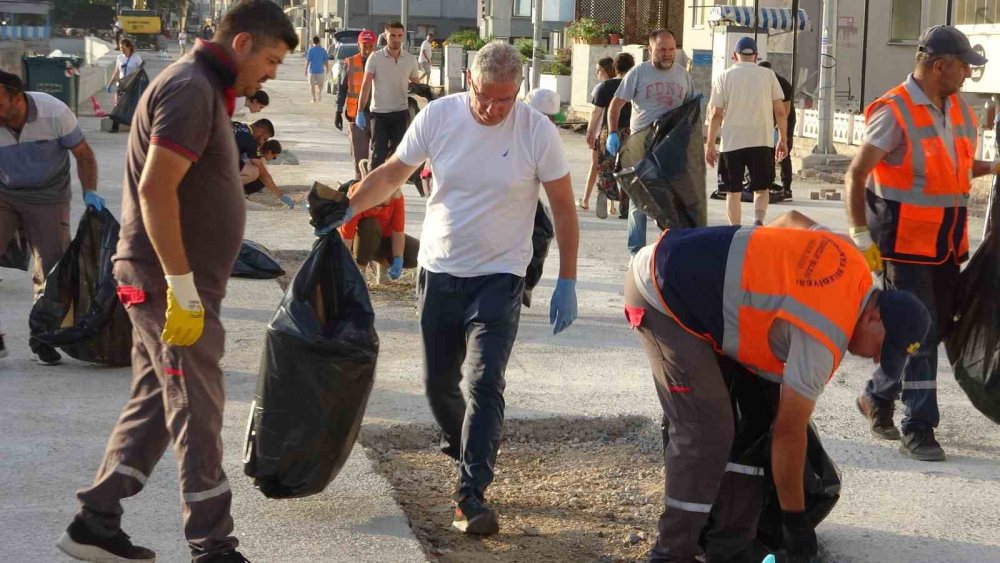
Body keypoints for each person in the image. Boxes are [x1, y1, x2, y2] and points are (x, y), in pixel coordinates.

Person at [56, 2, 297, 562]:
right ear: (240, 44)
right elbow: (155, 189)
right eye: (269, 59)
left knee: (155, 402)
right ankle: (213, 547)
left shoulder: (203, 88)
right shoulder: (191, 88)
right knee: (198, 407)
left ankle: (95, 521)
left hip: (170, 281)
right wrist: (182, 287)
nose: (272, 73)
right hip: (168, 284)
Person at [323, 41, 579, 536]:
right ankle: (468, 447)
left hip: (501, 275)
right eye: (485, 96)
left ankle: (471, 495)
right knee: (437, 384)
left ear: (519, 92)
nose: (493, 108)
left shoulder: (536, 131)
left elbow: (564, 209)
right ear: (469, 81)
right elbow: (394, 173)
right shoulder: (439, 118)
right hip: (440, 272)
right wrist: (349, 207)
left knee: (484, 382)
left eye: (506, 99)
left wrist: (567, 279)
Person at [625, 210, 931, 563]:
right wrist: (795, 522)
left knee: (755, 419)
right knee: (707, 429)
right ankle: (670, 553)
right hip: (660, 291)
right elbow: (789, 434)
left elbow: (790, 219)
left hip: (691, 272)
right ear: (874, 316)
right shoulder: (826, 337)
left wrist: (758, 282)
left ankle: (729, 547)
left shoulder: (850, 257)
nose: (877, 360)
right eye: (882, 348)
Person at [846, 25, 994, 463]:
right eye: (964, 65)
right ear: (938, 65)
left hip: (945, 244)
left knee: (923, 330)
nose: (968, 73)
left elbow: (958, 168)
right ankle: (920, 425)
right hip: (902, 245)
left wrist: (994, 168)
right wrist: (859, 235)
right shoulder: (895, 110)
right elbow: (856, 174)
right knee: (922, 333)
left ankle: (876, 395)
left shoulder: (958, 109)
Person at [0, 70, 100, 366]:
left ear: (17, 98)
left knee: (53, 268)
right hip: (4, 193)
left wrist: (90, 193)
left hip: (48, 196)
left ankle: (42, 334)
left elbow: (83, 154)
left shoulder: (54, 111)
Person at [606, 29, 694, 256]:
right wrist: (612, 132)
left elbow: (691, 110)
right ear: (650, 49)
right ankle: (636, 252)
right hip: (642, 145)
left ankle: (667, 249)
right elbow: (616, 104)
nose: (667, 54)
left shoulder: (683, 75)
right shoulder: (638, 73)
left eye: (672, 50)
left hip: (671, 146)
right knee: (639, 199)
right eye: (662, 49)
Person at [705, 37, 788, 227]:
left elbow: (716, 113)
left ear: (735, 56)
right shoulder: (768, 75)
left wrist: (710, 144)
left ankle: (735, 229)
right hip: (762, 140)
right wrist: (783, 138)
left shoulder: (724, 77)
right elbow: (781, 111)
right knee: (761, 187)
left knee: (732, 191)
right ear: (756, 56)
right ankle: (759, 220)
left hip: (732, 141)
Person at [338, 159, 418, 284]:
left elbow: (398, 231)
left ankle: (383, 267)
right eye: (377, 203)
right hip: (359, 240)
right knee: (371, 224)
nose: (379, 207)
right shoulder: (358, 195)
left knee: (416, 252)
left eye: (384, 205)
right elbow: (346, 238)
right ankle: (360, 271)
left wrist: (398, 257)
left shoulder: (397, 197)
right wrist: (344, 266)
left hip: (382, 237)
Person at [356, 20, 420, 170]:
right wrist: (359, 111)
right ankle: (373, 190)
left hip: (401, 113)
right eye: (392, 36)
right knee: (378, 154)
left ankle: (391, 191)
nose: (396, 39)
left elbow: (418, 86)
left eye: (399, 36)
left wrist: (429, 95)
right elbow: (365, 86)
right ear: (385, 36)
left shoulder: (410, 60)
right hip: (379, 114)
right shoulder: (375, 58)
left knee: (397, 156)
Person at [587, 53, 635, 220]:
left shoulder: (606, 86)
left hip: (610, 131)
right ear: (632, 67)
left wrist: (590, 132)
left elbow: (596, 112)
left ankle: (605, 191)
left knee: (605, 165)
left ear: (615, 67)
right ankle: (625, 207)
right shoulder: (636, 85)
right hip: (631, 132)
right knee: (628, 169)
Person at [335, 28, 378, 180]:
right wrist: (338, 111)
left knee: (379, 159)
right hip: (356, 117)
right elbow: (342, 89)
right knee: (360, 159)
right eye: (364, 46)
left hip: (378, 116)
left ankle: (376, 191)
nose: (367, 50)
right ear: (358, 46)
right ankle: (361, 187)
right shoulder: (350, 63)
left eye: (370, 46)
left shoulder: (383, 62)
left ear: (376, 45)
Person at [579, 56, 615, 214]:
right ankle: (611, 204)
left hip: (601, 132)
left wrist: (590, 132)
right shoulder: (621, 86)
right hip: (617, 131)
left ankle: (585, 200)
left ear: (606, 71)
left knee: (595, 165)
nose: (597, 73)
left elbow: (595, 112)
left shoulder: (601, 87)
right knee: (613, 166)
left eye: (598, 70)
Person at [759, 60, 796, 200]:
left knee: (783, 151)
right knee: (766, 151)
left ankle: (787, 188)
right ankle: (769, 184)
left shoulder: (783, 84)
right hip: (767, 117)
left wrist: (779, 131)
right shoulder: (758, 83)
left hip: (785, 118)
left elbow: (784, 112)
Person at [241, 139, 293, 207]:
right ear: (269, 152)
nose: (273, 159)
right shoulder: (259, 158)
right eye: (274, 157)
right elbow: (265, 177)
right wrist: (281, 196)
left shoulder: (257, 153)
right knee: (262, 181)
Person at [107, 38, 143, 104]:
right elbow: (116, 72)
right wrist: (110, 84)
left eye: (123, 48)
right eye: (120, 48)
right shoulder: (119, 57)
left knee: (130, 105)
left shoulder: (136, 57)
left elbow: (141, 72)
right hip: (121, 84)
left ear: (129, 47)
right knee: (118, 104)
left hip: (132, 84)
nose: (121, 50)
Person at [305, 35, 329, 103]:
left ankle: (313, 98)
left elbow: (308, 61)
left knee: (312, 85)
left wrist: (305, 69)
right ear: (319, 41)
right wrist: (327, 69)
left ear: (313, 42)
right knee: (320, 85)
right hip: (320, 71)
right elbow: (326, 61)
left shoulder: (311, 50)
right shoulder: (323, 50)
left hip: (312, 71)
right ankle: (320, 93)